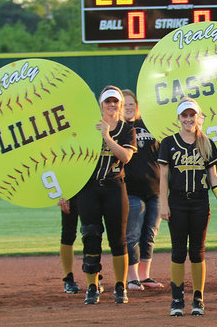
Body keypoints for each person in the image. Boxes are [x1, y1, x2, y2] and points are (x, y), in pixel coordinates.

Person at [158, 98, 217, 316]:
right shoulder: (169, 143)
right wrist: (163, 204)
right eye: (184, 115)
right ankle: (177, 299)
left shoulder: (206, 143)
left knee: (197, 251)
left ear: (197, 117)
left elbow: (213, 176)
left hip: (199, 201)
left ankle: (198, 298)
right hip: (177, 201)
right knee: (178, 251)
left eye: (191, 115)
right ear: (178, 118)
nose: (188, 119)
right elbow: (164, 176)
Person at [77, 86, 136, 305]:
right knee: (90, 236)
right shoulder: (88, 127)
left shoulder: (126, 129)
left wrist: (107, 137)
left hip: (114, 186)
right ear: (101, 105)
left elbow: (126, 157)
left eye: (115, 102)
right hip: (89, 188)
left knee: (118, 239)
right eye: (107, 102)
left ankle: (120, 287)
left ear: (120, 105)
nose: (112, 105)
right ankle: (92, 286)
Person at [121, 89, 163, 292]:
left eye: (132, 104)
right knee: (133, 234)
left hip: (155, 189)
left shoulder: (151, 125)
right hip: (130, 190)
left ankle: (145, 276)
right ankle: (132, 278)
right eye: (125, 104)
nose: (129, 108)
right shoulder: (119, 129)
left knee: (150, 233)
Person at [57, 195, 80, 294]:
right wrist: (62, 196)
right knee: (68, 234)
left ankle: (94, 277)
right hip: (71, 194)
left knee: (93, 233)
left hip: (92, 191)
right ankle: (68, 278)